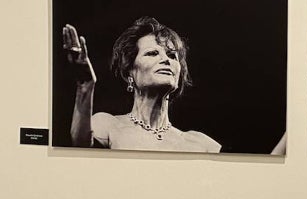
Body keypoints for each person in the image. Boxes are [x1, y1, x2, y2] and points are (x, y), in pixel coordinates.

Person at [62, 17, 222, 152]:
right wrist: (85, 87)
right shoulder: (107, 125)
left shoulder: (203, 145)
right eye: (152, 53)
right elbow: (80, 147)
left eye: (172, 55)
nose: (166, 59)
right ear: (129, 72)